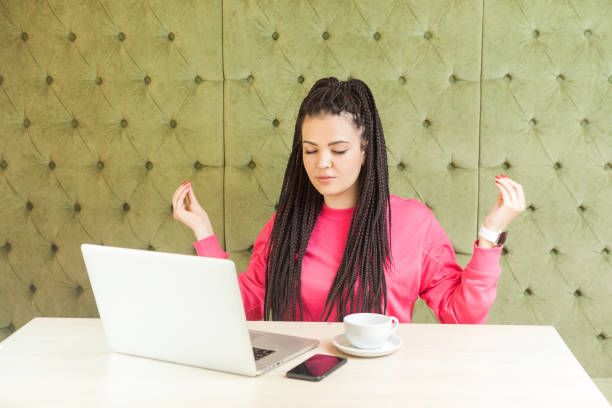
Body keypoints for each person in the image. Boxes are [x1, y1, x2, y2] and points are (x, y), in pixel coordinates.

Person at [172, 77, 526, 323]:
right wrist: (204, 234)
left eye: (338, 149)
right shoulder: (287, 227)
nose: (322, 163)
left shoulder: (413, 224)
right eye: (310, 151)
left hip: (383, 385)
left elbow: (461, 316)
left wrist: (490, 234)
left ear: (364, 149)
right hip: (302, 386)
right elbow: (237, 306)